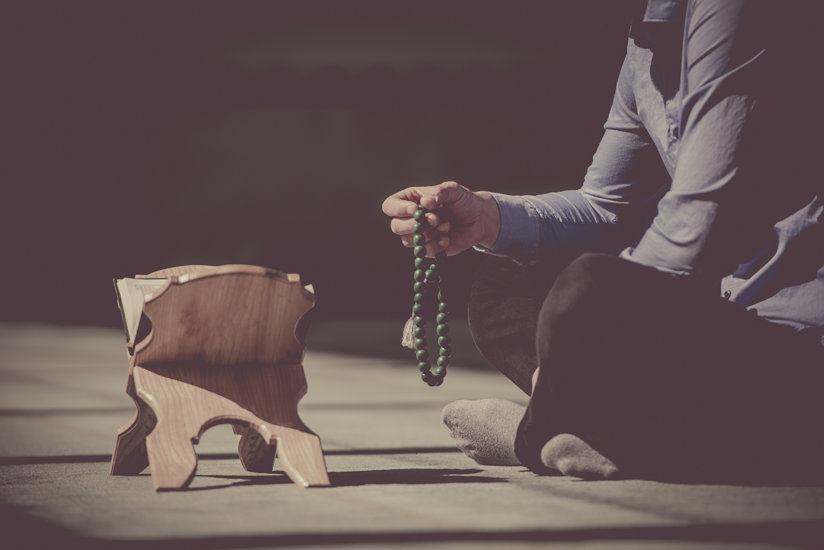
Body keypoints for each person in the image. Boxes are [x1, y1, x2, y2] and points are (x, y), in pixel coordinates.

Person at [382, 0, 824, 483]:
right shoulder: (646, 40)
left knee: (589, 290)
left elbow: (703, 213)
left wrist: (600, 318)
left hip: (795, 346)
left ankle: (543, 433)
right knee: (508, 279)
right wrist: (487, 218)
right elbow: (609, 206)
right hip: (718, 328)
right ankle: (607, 426)